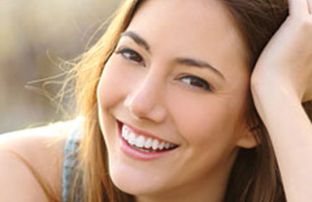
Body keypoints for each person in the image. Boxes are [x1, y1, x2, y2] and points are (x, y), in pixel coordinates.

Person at [0, 0, 311, 201]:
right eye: (132, 55)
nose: (140, 104)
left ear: (256, 121)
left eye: (194, 81)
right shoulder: (22, 174)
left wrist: (279, 92)